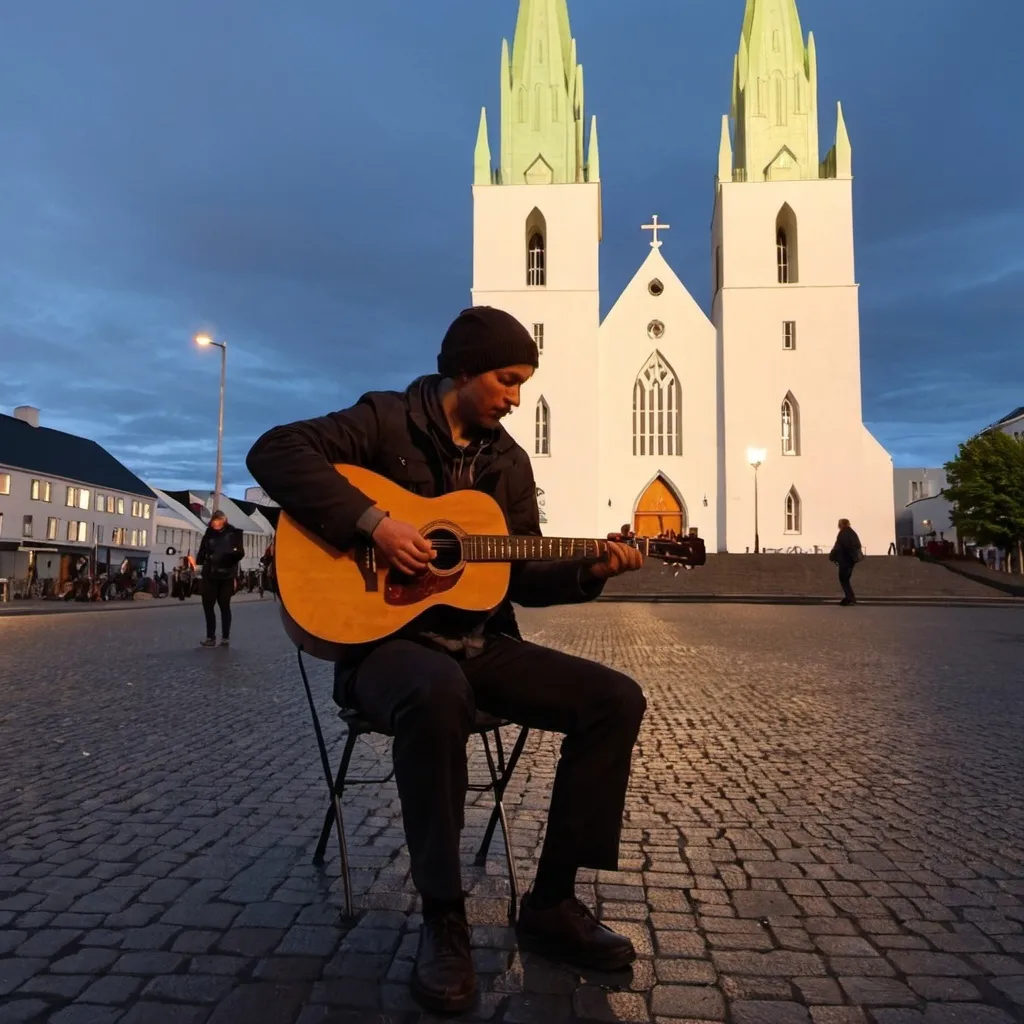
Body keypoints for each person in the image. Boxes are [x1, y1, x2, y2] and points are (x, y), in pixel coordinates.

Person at [247, 306, 646, 1014]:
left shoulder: (508, 463)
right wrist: (375, 522)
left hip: (478, 644)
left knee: (615, 698)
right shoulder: (383, 420)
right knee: (435, 692)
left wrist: (591, 570)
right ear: (463, 370)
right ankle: (444, 916)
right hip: (382, 650)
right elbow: (275, 451)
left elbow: (519, 571)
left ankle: (552, 901)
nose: (516, 397)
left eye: (522, 383)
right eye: (507, 379)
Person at [196, 511, 244, 646]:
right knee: (208, 605)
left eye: (218, 522)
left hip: (226, 574)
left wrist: (227, 557)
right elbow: (201, 552)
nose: (216, 525)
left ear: (224, 521)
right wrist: (199, 567)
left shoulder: (234, 533)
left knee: (224, 605)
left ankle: (225, 637)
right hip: (210, 574)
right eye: (214, 523)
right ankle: (210, 636)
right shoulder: (209, 533)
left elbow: (240, 553)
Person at [829, 517, 863, 605]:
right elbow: (857, 545)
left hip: (845, 560)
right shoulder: (852, 533)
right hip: (851, 560)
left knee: (843, 579)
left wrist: (832, 557)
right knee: (846, 579)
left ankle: (850, 598)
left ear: (841, 524)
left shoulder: (842, 533)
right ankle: (849, 597)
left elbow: (838, 547)